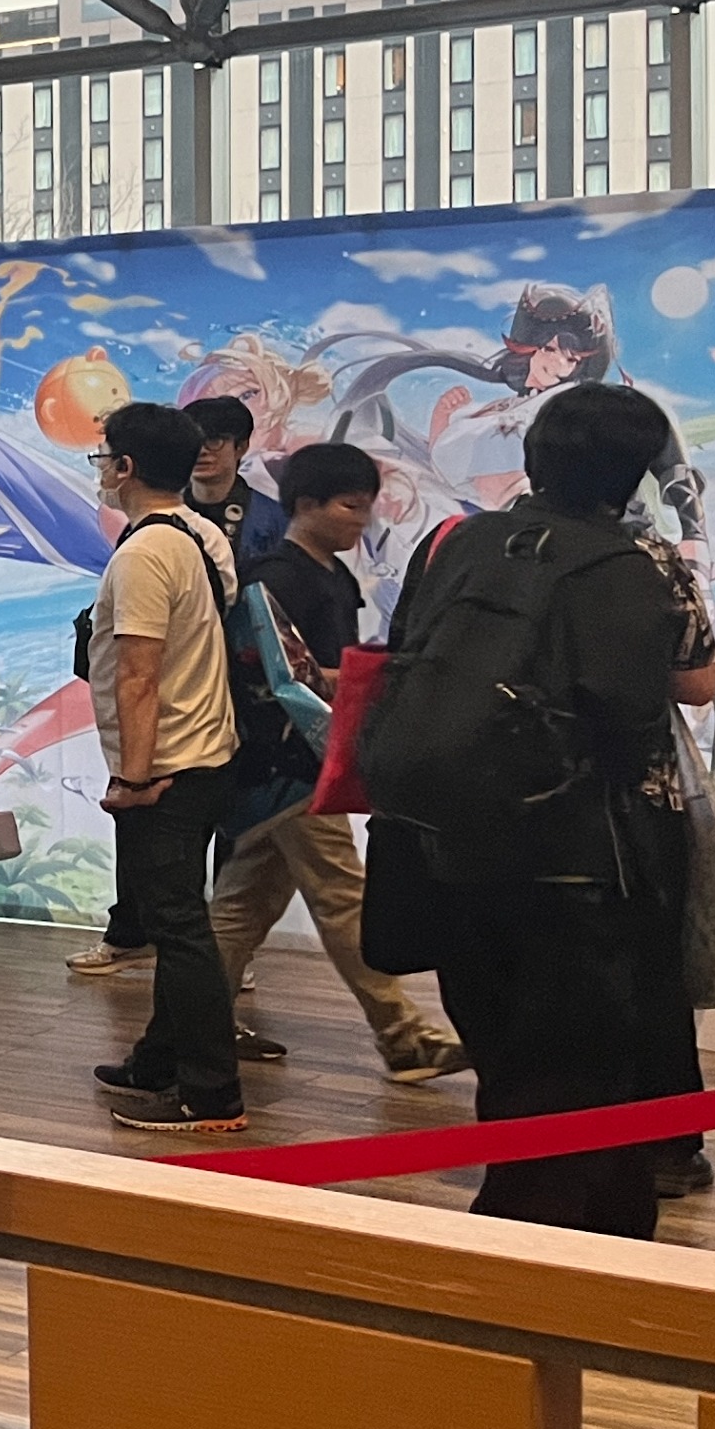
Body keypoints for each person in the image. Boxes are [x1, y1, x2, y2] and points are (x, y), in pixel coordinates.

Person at [370, 383, 715, 1238]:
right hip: (580, 857)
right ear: (635, 474)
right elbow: (633, 715)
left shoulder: (456, 543)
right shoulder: (633, 567)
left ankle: (576, 1220)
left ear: (533, 455)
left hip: (450, 841)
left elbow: (403, 657)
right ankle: (547, 1241)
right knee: (585, 1065)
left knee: (504, 1051)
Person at [212, 442, 463, 1082]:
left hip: (314, 765)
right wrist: (367, 679)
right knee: (344, 895)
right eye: (351, 506)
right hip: (290, 765)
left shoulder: (332, 577)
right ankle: (404, 1037)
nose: (362, 519)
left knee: (242, 906)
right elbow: (276, 677)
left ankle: (190, 1025)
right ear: (306, 504)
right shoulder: (274, 578)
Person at [83, 401, 248, 1137]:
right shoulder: (198, 534)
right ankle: (158, 1059)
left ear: (125, 467)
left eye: (104, 457)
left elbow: (139, 675)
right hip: (206, 753)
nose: (100, 470)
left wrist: (134, 778)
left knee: (179, 930)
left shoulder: (146, 552)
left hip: (169, 769)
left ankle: (211, 1094)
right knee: (178, 919)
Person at [183, 393, 289, 565]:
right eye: (193, 440)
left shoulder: (274, 519)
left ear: (241, 447)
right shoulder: (163, 511)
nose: (201, 451)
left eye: (214, 440)